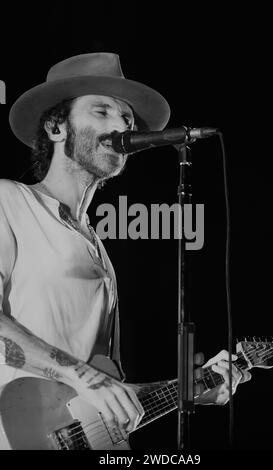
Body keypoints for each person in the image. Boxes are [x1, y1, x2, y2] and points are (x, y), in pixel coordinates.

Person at [0, 53, 250, 447]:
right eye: (101, 111)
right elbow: (87, 378)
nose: (121, 125)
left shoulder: (96, 247)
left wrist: (189, 389)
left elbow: (98, 400)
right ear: (55, 126)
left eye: (128, 120)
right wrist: (87, 377)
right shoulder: (9, 200)